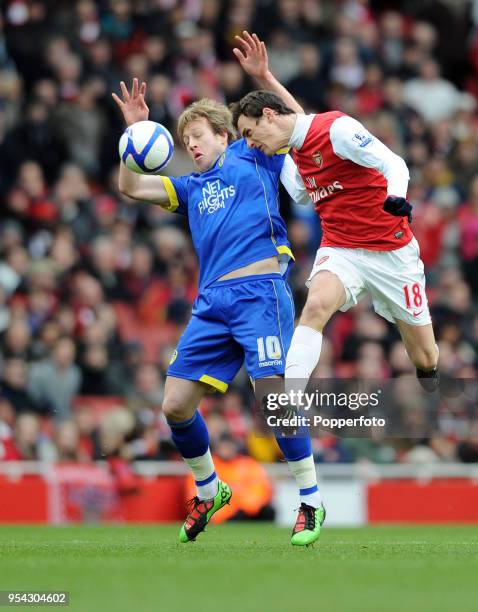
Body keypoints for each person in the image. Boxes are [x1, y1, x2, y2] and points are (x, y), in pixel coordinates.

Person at [112, 79, 325, 545]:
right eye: (186, 140)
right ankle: (210, 490)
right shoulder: (189, 187)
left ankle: (310, 500)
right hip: (212, 304)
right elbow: (130, 188)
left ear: (226, 137)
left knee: (271, 399)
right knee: (175, 405)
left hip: (261, 293)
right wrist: (133, 136)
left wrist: (268, 82)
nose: (190, 144)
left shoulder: (256, 156)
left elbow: (301, 126)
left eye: (199, 135)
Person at [232, 32, 440, 400]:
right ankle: (289, 401)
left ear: (267, 115)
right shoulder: (289, 151)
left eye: (250, 133)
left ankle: (430, 373)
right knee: (315, 306)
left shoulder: (338, 130)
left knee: (423, 353)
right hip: (342, 248)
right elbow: (296, 155)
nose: (249, 143)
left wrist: (396, 196)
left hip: (391, 252)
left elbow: (394, 162)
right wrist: (264, 79)